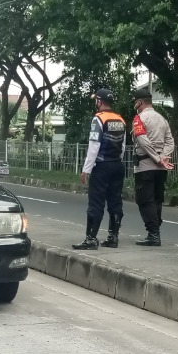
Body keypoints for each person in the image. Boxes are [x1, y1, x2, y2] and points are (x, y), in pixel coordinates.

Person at [72, 88, 127, 250]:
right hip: (117, 165)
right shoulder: (120, 119)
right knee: (115, 202)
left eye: (96, 100)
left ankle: (91, 239)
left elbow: (94, 146)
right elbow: (122, 147)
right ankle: (113, 237)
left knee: (96, 202)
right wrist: (117, 161)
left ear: (100, 102)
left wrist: (86, 169)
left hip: (102, 166)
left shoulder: (98, 119)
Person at [130, 85, 175, 247]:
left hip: (145, 166)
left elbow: (143, 141)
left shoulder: (138, 119)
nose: (134, 105)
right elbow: (170, 142)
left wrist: (157, 158)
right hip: (160, 169)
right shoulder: (162, 119)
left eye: (135, 102)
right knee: (156, 199)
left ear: (140, 102)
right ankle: (155, 232)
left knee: (144, 200)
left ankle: (153, 234)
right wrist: (163, 157)